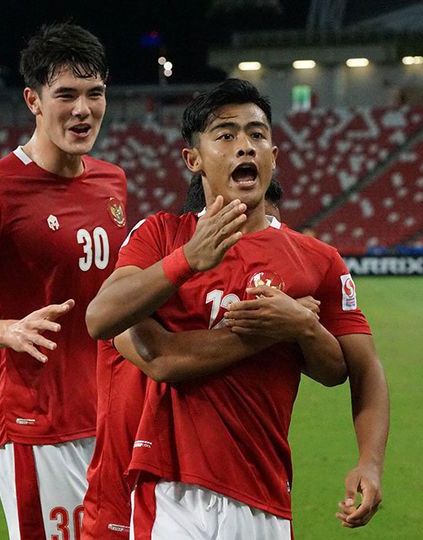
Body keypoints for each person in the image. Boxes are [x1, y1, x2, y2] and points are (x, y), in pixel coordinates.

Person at [85, 78, 374, 538]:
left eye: (258, 135)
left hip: (264, 492)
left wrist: (304, 326)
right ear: (193, 159)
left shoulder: (317, 259)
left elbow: (347, 369)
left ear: (274, 156)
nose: (245, 146)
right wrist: (188, 262)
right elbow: (102, 320)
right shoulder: (161, 237)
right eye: (226, 135)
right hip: (170, 488)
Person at [0, 23, 127, 540]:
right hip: (39, 429)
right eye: (66, 95)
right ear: (33, 100)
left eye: (95, 93)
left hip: (113, 418)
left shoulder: (112, 181)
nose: (83, 110)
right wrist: (6, 331)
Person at [82, 175, 336, 539]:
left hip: (214, 491)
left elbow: (338, 367)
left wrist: (299, 326)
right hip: (126, 496)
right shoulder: (136, 292)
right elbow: (163, 360)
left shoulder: (239, 294)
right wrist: (275, 329)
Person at [182, 174, 389, 528]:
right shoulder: (163, 250)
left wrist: (369, 461)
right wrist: (285, 328)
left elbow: (356, 368)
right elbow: (148, 353)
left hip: (263, 483)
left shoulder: (312, 260)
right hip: (168, 478)